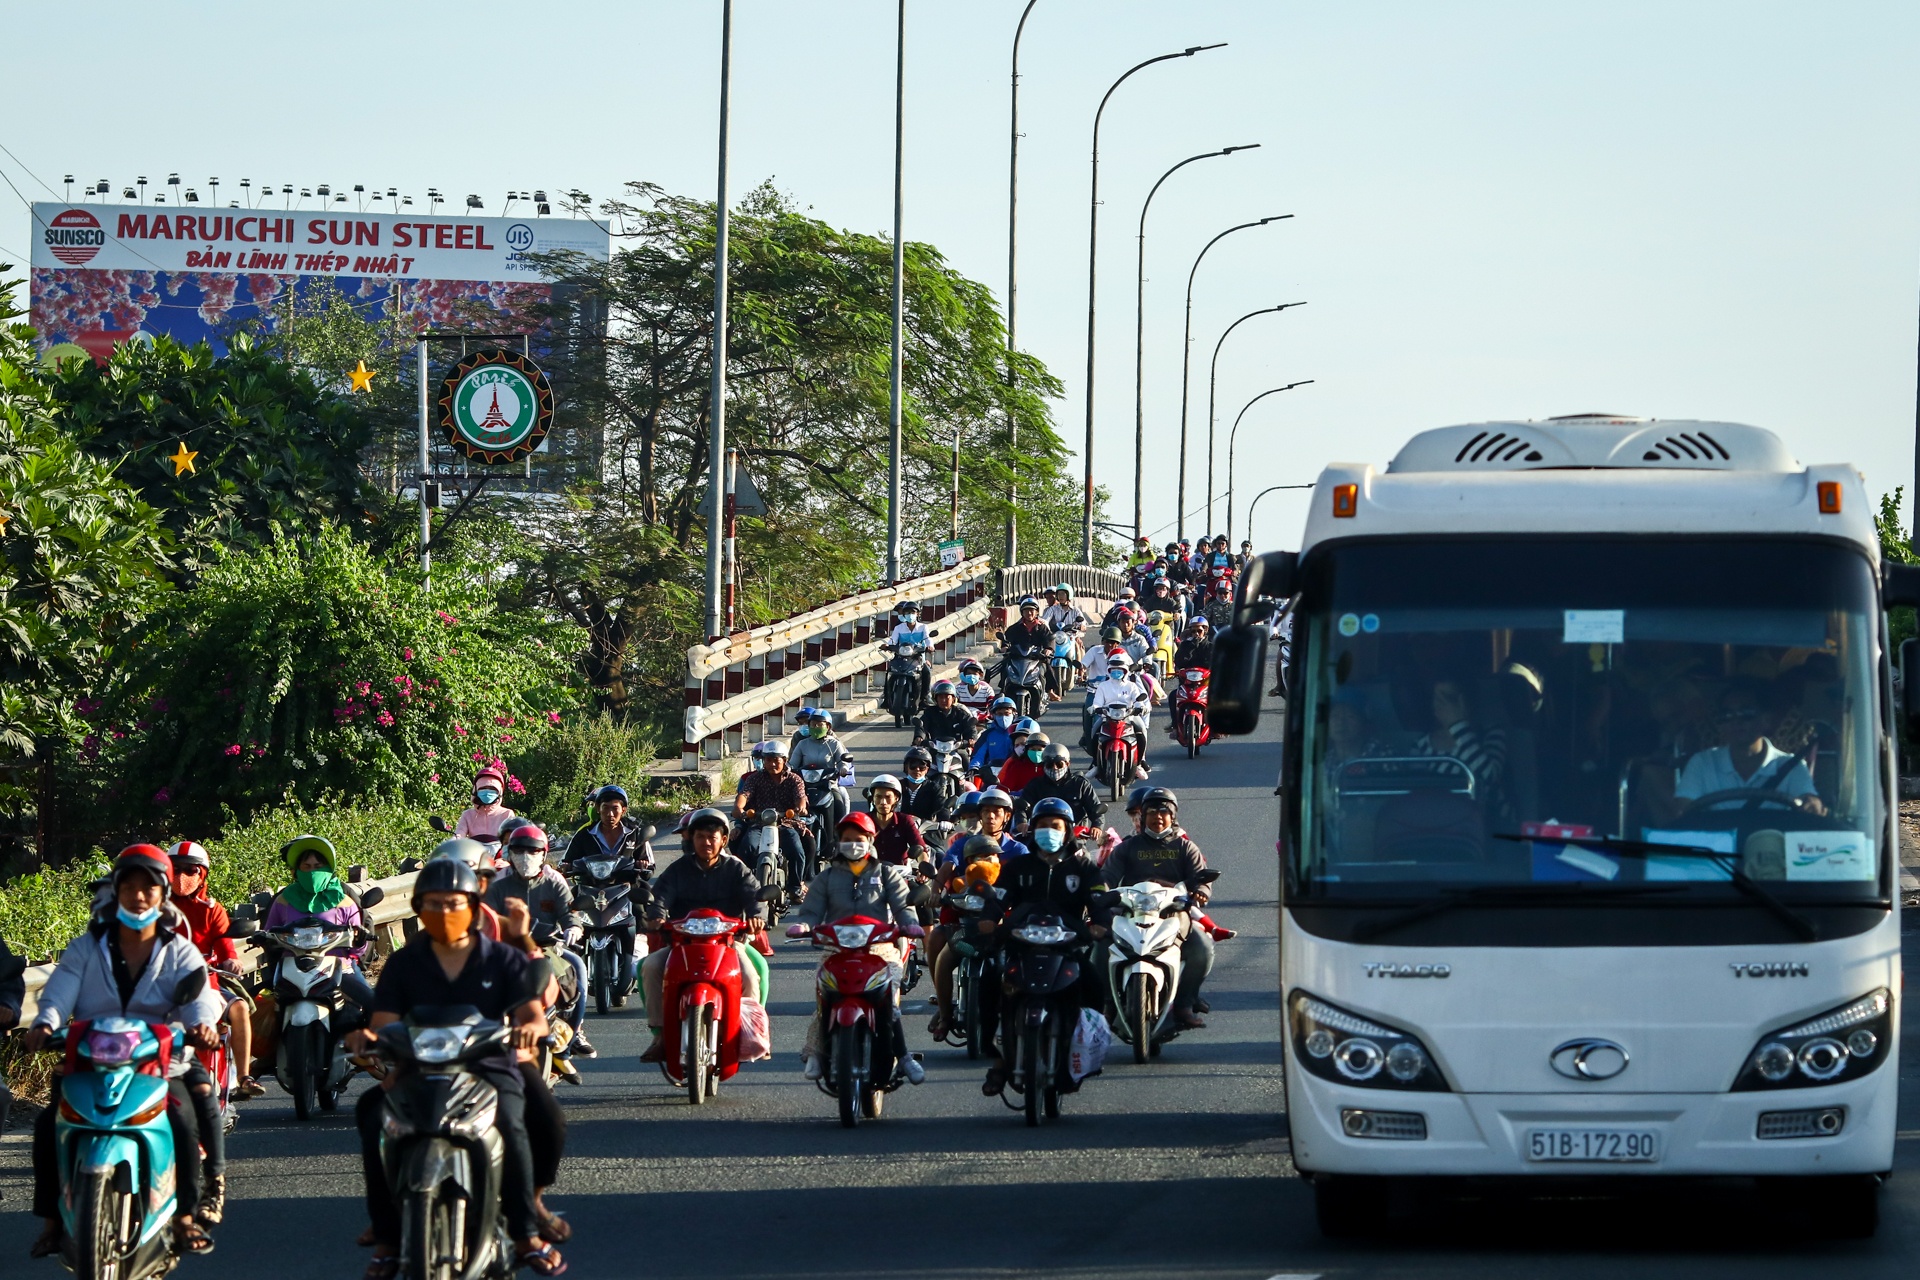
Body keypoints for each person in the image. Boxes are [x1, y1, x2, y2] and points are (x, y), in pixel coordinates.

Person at [345, 857, 566, 1278]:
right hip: (417, 1068)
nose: (444, 912)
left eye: (453, 903)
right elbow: (383, 1024)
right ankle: (388, 1239)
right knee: (373, 1114)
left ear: (473, 903)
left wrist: (526, 1032)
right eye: (433, 904)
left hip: (489, 1066)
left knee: (516, 1119)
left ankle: (524, 1232)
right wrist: (369, 1041)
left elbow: (533, 1016)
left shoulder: (503, 958)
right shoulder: (404, 963)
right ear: (418, 907)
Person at [25, 845, 226, 1258]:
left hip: (162, 1060)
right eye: (129, 886)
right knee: (48, 1126)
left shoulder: (180, 950)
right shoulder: (85, 948)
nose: (138, 895)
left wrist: (201, 1025)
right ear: (115, 891)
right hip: (89, 1059)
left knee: (182, 1118)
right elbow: (61, 991)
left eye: (148, 888)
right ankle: (51, 1221)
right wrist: (45, 1022)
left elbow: (198, 997)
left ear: (164, 894)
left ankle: (186, 1216)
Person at [981, 798, 1109, 1096]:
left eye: (1055, 826)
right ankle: (998, 1060)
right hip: (1022, 948)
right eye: (1042, 826)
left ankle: (1083, 1049)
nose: (1048, 831)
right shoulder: (1018, 866)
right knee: (989, 985)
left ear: (1067, 831)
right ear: (1033, 829)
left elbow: (1100, 900)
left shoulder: (1084, 867)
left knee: (1094, 986)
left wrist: (1102, 923)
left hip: (1068, 950)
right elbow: (999, 898)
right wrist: (989, 920)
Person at [785, 812, 925, 1084]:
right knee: (826, 997)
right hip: (837, 949)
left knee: (889, 1000)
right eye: (847, 840)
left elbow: (902, 906)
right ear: (839, 841)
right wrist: (804, 925)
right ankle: (815, 1052)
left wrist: (910, 924)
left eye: (859, 839)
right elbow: (811, 910)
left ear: (870, 839)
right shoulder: (827, 877)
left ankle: (904, 1057)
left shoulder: (886, 873)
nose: (853, 844)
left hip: (879, 949)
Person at [638, 808, 767, 1065]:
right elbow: (660, 897)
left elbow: (755, 897)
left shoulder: (736, 869)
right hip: (681, 945)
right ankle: (660, 1035)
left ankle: (749, 1032)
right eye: (700, 836)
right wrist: (656, 916)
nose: (706, 842)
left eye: (712, 836)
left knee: (755, 973)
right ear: (691, 839)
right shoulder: (677, 870)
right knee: (649, 966)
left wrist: (756, 916)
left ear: (723, 840)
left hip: (729, 944)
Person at [167, 841, 265, 1109]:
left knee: (241, 1007)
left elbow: (225, 948)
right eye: (176, 869)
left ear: (202, 875)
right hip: (161, 985)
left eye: (191, 870)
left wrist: (231, 962)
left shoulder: (212, 909)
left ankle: (244, 1077)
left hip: (205, 984)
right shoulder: (155, 908)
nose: (182, 877)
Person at [1105, 789, 1213, 1028]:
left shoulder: (1186, 848)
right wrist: (1100, 893)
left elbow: (1200, 879)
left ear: (1173, 816)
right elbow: (1107, 877)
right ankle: (1108, 1006)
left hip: (1173, 914)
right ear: (1142, 816)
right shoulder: (1126, 847)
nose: (1158, 817)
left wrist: (1200, 892)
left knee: (1202, 948)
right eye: (1151, 811)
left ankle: (1184, 1005)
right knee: (1100, 945)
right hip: (1130, 912)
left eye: (1164, 811)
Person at [488, 825, 593, 1060]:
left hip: (547, 948)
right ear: (509, 854)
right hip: (505, 951)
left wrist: (573, 928)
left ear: (544, 854)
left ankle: (573, 1031)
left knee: (577, 970)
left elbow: (569, 913)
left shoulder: (553, 883)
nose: (526, 857)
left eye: (533, 851)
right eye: (519, 851)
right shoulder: (498, 887)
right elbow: (484, 918)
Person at [1673, 682, 1824, 814]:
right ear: (1720, 723)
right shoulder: (1701, 763)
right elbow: (1684, 810)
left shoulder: (1792, 766)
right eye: (1727, 714)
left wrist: (1812, 804)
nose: (1736, 720)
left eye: (1746, 713)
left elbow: (1810, 800)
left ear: (1766, 720)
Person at [266, 835, 375, 1014]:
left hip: (339, 969)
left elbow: (357, 948)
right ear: (296, 870)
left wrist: (360, 940)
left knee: (374, 1006)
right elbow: (269, 934)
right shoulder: (283, 900)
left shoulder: (344, 901)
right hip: (292, 971)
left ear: (329, 868)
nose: (312, 872)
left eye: (318, 867)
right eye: (306, 867)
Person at [925, 834, 1010, 1044]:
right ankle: (945, 1016)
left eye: (991, 856)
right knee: (943, 961)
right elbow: (947, 918)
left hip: (997, 942)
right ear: (969, 862)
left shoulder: (1007, 883)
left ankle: (1012, 1019)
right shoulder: (958, 884)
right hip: (965, 939)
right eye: (980, 857)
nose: (987, 861)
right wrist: (940, 897)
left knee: (1011, 969)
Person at [733, 738, 812, 893]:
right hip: (758, 823)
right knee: (746, 847)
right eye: (768, 760)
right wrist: (738, 807)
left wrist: (800, 808)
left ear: (785, 760)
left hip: (786, 824)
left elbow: (800, 797)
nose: (772, 764)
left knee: (797, 851)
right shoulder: (754, 778)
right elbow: (745, 795)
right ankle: (746, 885)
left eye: (776, 760)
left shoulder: (794, 779)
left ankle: (795, 887)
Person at [1413, 677, 1507, 805]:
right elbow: (1417, 795)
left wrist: (1457, 724)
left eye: (1447, 698)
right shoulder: (1421, 745)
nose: (1439, 703)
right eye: (1436, 697)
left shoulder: (1490, 734)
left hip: (1485, 819)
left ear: (1464, 701)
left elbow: (1489, 778)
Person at [567, 784, 655, 882]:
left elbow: (649, 869)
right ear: (598, 808)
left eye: (615, 808)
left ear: (623, 810)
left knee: (648, 897)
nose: (610, 814)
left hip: (627, 889)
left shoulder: (635, 833)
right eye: (605, 808)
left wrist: (643, 865)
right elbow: (566, 863)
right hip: (591, 889)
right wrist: (566, 867)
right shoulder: (585, 834)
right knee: (570, 897)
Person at [1088, 652, 1155, 780]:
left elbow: (1138, 700)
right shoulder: (1103, 686)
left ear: (1125, 670)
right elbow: (1097, 702)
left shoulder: (1131, 686)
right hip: (1107, 717)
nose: (1116, 672)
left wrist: (1141, 707)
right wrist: (1094, 708)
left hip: (1129, 716)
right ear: (1109, 670)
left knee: (1142, 731)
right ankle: (1095, 764)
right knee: (1094, 732)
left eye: (1120, 669)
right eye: (1114, 669)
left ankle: (1139, 763)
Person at [790, 707, 854, 836]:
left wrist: (843, 768)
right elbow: (792, 763)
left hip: (828, 784)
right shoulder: (802, 744)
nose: (815, 727)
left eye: (820, 725)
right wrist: (787, 770)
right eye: (813, 724)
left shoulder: (834, 744)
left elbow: (843, 760)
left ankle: (840, 833)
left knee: (839, 801)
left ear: (828, 726)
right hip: (805, 784)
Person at [1016, 742, 1105, 826]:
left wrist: (1097, 826)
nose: (1054, 768)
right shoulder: (1035, 785)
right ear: (1043, 765)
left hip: (1075, 837)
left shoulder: (1081, 784)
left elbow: (1095, 809)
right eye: (1050, 764)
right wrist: (1022, 822)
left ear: (1067, 764)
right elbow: (1022, 807)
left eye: (1059, 764)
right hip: (1042, 834)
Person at [865, 775, 928, 870]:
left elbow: (920, 849)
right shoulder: (863, 821)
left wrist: (923, 868)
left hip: (899, 878)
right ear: (872, 799)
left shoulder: (904, 820)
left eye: (888, 797)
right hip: (868, 877)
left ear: (896, 799)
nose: (883, 802)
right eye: (878, 797)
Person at [887, 601, 934, 706]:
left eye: (912, 612)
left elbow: (927, 638)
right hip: (901, 656)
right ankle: (887, 697)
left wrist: (930, 646)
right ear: (904, 614)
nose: (910, 615)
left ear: (917, 614)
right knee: (891, 671)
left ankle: (925, 696)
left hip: (918, 657)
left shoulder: (923, 627)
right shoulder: (899, 628)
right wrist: (887, 645)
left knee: (926, 671)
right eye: (907, 612)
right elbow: (893, 640)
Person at [455, 765, 517, 845]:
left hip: (499, 856)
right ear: (475, 790)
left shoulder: (507, 814)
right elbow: (459, 835)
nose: (487, 792)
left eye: (492, 789)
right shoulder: (468, 815)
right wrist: (451, 845)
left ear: (500, 792)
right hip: (474, 855)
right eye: (483, 788)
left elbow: (512, 840)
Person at [900, 746, 959, 822]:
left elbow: (941, 808)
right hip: (899, 829)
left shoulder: (934, 788)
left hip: (926, 830)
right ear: (906, 767)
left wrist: (945, 820)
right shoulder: (897, 786)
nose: (917, 769)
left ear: (927, 769)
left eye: (922, 766)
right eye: (913, 765)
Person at [916, 680, 977, 750]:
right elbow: (922, 726)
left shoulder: (961, 713)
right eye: (941, 697)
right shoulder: (930, 712)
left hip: (956, 748)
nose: (943, 700)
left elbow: (970, 726)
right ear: (936, 699)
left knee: (966, 758)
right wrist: (919, 737)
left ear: (953, 698)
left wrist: (971, 739)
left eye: (947, 697)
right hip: (935, 748)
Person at [969, 696, 1021, 776]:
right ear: (994, 715)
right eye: (1000, 714)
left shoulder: (1019, 733)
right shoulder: (987, 734)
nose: (1003, 717)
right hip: (991, 774)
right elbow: (979, 754)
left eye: (1007, 714)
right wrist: (974, 767)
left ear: (1014, 714)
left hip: (1015, 772)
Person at [997, 728, 1049, 795]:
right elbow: (1004, 789)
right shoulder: (1017, 767)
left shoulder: (1051, 767)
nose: (1036, 752)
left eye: (1039, 750)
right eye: (1033, 749)